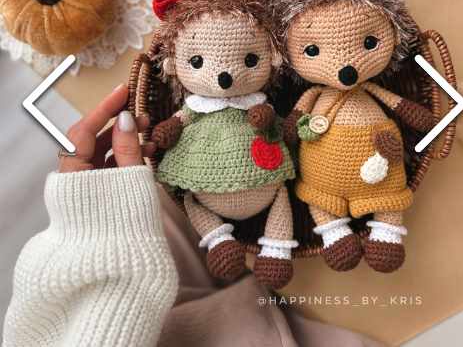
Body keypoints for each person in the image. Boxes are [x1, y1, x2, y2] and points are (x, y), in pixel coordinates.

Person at [3, 84, 382, 347]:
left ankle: (263, 246)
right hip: (262, 328)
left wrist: (89, 233)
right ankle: (254, 244)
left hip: (184, 314)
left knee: (159, 199)